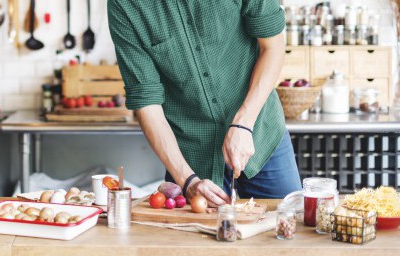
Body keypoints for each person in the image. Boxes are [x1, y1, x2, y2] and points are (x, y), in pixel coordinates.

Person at [108, 0, 302, 207]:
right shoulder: (124, 5)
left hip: (262, 135)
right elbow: (147, 102)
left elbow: (272, 46)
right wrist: (187, 180)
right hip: (191, 158)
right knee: (195, 238)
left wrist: (244, 122)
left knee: (288, 228)